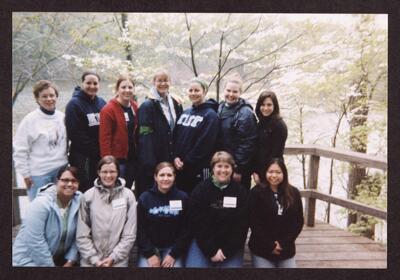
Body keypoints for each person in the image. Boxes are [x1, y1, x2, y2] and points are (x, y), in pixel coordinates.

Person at [186, 151, 248, 268]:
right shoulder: (200, 190)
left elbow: (241, 225)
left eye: (227, 166)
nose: (223, 170)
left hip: (230, 246)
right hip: (204, 242)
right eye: (219, 166)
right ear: (213, 168)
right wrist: (211, 250)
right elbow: (197, 223)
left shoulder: (240, 192)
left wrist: (226, 250)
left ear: (232, 169)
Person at [13, 166, 82, 266]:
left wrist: (70, 260)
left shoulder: (79, 201)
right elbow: (35, 241)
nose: (70, 184)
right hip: (27, 260)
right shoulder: (40, 204)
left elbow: (78, 235)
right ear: (57, 181)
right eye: (65, 180)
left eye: (74, 181)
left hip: (57, 260)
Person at [76, 155, 137, 267]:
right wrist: (94, 260)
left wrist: (113, 257)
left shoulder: (128, 196)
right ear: (98, 172)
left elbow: (130, 233)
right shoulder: (88, 196)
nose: (108, 175)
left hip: (118, 261)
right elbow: (82, 234)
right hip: (91, 261)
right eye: (104, 172)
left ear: (118, 172)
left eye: (112, 171)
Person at [13, 80, 68, 200]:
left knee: (60, 210)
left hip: (61, 172)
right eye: (44, 96)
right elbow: (20, 150)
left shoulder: (62, 117)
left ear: (56, 97)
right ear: (37, 99)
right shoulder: (30, 120)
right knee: (40, 211)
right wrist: (25, 175)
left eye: (52, 95)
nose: (49, 99)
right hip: (39, 175)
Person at [248, 158, 303, 268]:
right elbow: (253, 222)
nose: (274, 175)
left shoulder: (293, 193)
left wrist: (283, 243)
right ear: (265, 173)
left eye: (278, 172)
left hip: (285, 248)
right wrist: (270, 245)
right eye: (270, 172)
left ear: (284, 174)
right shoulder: (256, 193)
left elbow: (298, 222)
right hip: (262, 249)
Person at [137, 69, 183, 195]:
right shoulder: (147, 106)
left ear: (170, 82)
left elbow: (178, 131)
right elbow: (145, 137)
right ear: (154, 82)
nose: (163, 84)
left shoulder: (175, 103)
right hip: (154, 158)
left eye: (165, 80)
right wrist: (150, 165)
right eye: (159, 81)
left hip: (171, 156)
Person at [137, 162, 190, 268]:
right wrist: (150, 254)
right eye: (162, 175)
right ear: (155, 177)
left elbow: (187, 229)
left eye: (169, 175)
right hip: (151, 248)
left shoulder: (183, 198)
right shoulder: (145, 198)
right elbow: (140, 229)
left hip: (173, 249)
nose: (165, 178)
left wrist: (173, 254)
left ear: (174, 177)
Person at [173, 77, 219, 194]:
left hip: (198, 168)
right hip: (179, 167)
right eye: (191, 90)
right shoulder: (185, 113)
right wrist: (175, 157)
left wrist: (186, 161)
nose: (193, 93)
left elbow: (205, 144)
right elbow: (175, 137)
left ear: (204, 92)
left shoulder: (211, 115)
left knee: (199, 199)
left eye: (197, 90)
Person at [65, 71, 106, 192]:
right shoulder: (74, 105)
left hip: (99, 156)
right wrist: (96, 150)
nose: (92, 86)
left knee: (99, 188)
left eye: (95, 83)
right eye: (88, 83)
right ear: (82, 83)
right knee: (85, 189)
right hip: (82, 157)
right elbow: (75, 134)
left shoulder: (102, 103)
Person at [216, 75, 257, 190]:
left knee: (237, 199)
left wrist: (238, 169)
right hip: (222, 164)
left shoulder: (245, 113)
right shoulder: (221, 107)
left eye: (235, 92)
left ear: (240, 93)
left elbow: (247, 144)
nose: (231, 94)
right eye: (228, 90)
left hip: (238, 168)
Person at [99, 74, 138, 189]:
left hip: (132, 158)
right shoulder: (108, 109)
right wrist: (108, 164)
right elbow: (104, 139)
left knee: (128, 188)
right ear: (117, 89)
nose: (127, 90)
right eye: (123, 87)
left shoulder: (134, 106)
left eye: (130, 87)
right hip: (117, 161)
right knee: (115, 189)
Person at [252, 91, 288, 184]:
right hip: (260, 171)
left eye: (269, 105)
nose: (265, 108)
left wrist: (265, 174)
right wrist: (255, 171)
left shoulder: (279, 125)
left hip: (273, 172)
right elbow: (257, 149)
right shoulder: (261, 123)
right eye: (263, 105)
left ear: (274, 106)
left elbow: (275, 153)